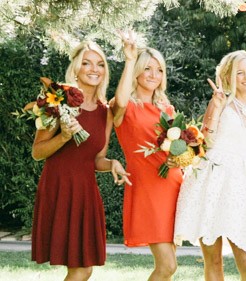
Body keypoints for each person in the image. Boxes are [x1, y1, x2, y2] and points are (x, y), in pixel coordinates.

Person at [174, 50, 246, 281]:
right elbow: (206, 142)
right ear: (228, 76)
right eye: (239, 72)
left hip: (244, 188)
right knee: (213, 260)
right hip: (211, 181)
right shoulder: (220, 103)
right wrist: (215, 107)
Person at [31, 41, 131, 281]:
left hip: (86, 192)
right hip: (59, 187)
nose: (93, 69)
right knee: (81, 270)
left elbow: (97, 159)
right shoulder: (56, 100)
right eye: (86, 63)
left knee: (84, 268)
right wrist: (64, 137)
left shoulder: (104, 111)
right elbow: (38, 151)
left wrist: (113, 164)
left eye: (99, 64)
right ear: (75, 68)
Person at [111, 32, 183, 281]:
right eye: (147, 69)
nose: (154, 74)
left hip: (173, 184)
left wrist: (180, 158)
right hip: (147, 188)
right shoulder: (125, 106)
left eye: (159, 69)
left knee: (170, 266)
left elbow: (177, 147)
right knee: (168, 265)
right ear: (138, 73)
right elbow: (118, 102)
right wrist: (129, 60)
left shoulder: (167, 107)